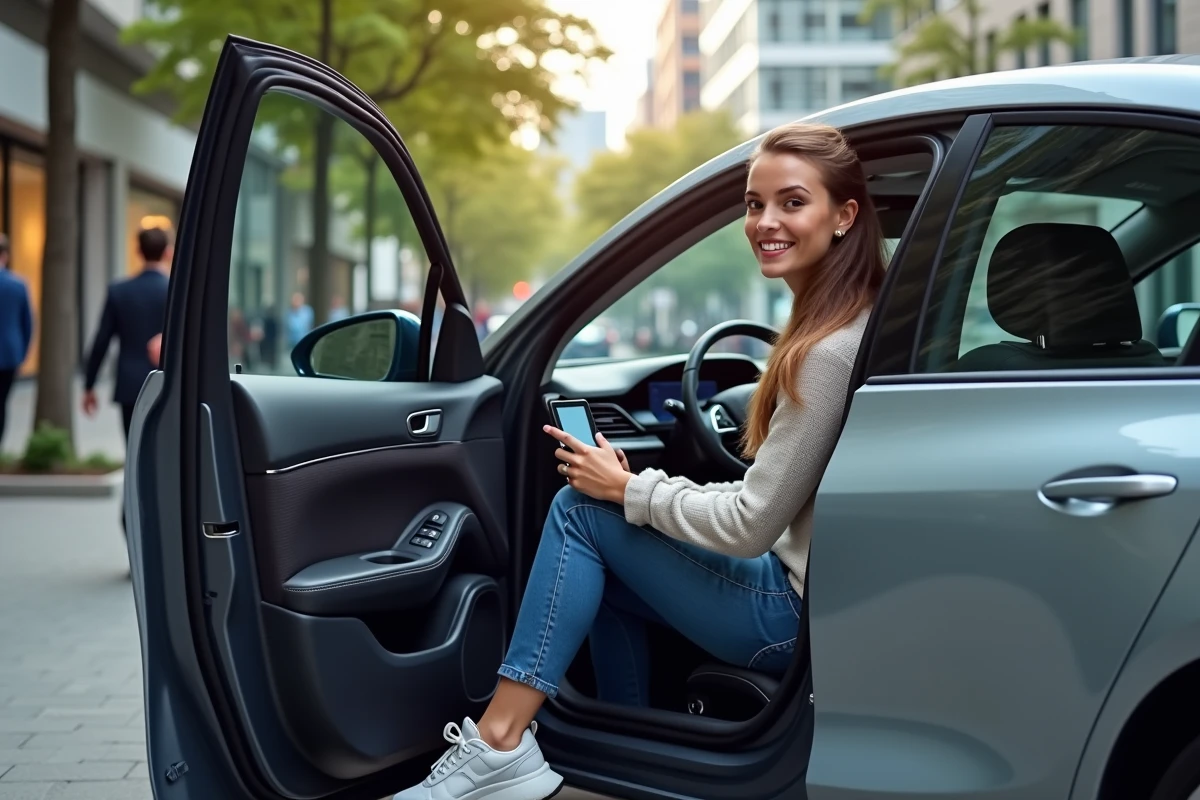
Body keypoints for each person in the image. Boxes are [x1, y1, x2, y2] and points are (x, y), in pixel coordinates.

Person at [392, 122, 888, 800]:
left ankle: (500, 744)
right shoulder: (850, 324)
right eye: (753, 204)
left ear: (845, 215)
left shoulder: (826, 353)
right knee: (605, 565)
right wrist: (635, 490)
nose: (765, 221)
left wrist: (630, 489)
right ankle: (634, 758)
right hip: (809, 599)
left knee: (579, 515)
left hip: (786, 616)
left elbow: (749, 525)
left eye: (792, 202)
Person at [83, 227, 171, 441]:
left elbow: (101, 340)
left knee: (133, 447)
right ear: (168, 252)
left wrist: (89, 385)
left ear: (138, 252)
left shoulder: (120, 291)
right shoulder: (175, 291)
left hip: (130, 384)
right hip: (168, 383)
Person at [0, 234, 33, 447]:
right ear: (5, 256)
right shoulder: (17, 285)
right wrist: (22, 355)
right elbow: (28, 324)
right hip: (9, 355)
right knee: (1, 404)